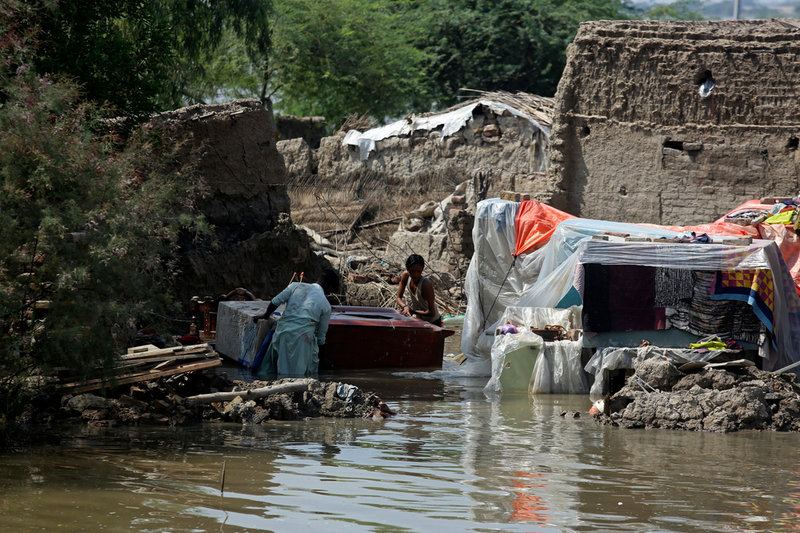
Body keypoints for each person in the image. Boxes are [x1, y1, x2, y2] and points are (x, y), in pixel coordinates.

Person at [257, 269, 339, 377]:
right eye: (331, 291)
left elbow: (275, 302)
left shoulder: (295, 286)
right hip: (301, 343)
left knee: (272, 373)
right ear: (329, 286)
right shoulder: (326, 305)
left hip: (281, 335)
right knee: (296, 377)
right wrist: (322, 359)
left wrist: (265, 315)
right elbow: (321, 338)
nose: (329, 294)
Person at [395, 254, 442, 326]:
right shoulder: (406, 276)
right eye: (412, 271)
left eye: (418, 271)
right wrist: (405, 307)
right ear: (407, 269)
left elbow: (432, 313)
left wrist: (413, 311)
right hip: (419, 320)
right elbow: (398, 298)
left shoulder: (426, 285)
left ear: (422, 270)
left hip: (433, 322)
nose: (415, 275)